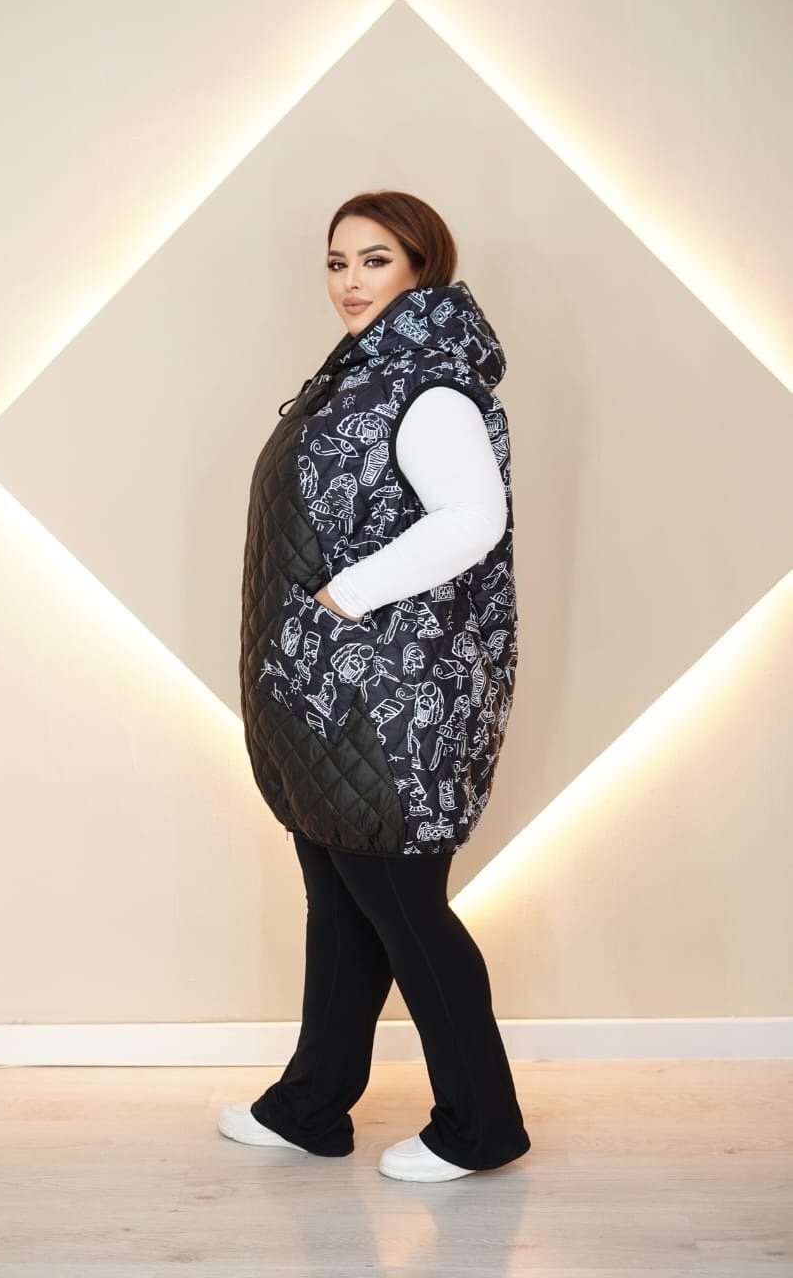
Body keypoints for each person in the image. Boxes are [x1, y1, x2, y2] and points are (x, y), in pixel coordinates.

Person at [219, 190, 531, 1182]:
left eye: (375, 260)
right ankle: (311, 1104)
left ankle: (481, 1126)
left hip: (391, 705)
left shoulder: (427, 386)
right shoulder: (357, 376)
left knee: (405, 912)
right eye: (337, 262)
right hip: (327, 693)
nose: (350, 282)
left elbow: (471, 517)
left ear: (421, 267)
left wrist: (342, 597)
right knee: (341, 901)